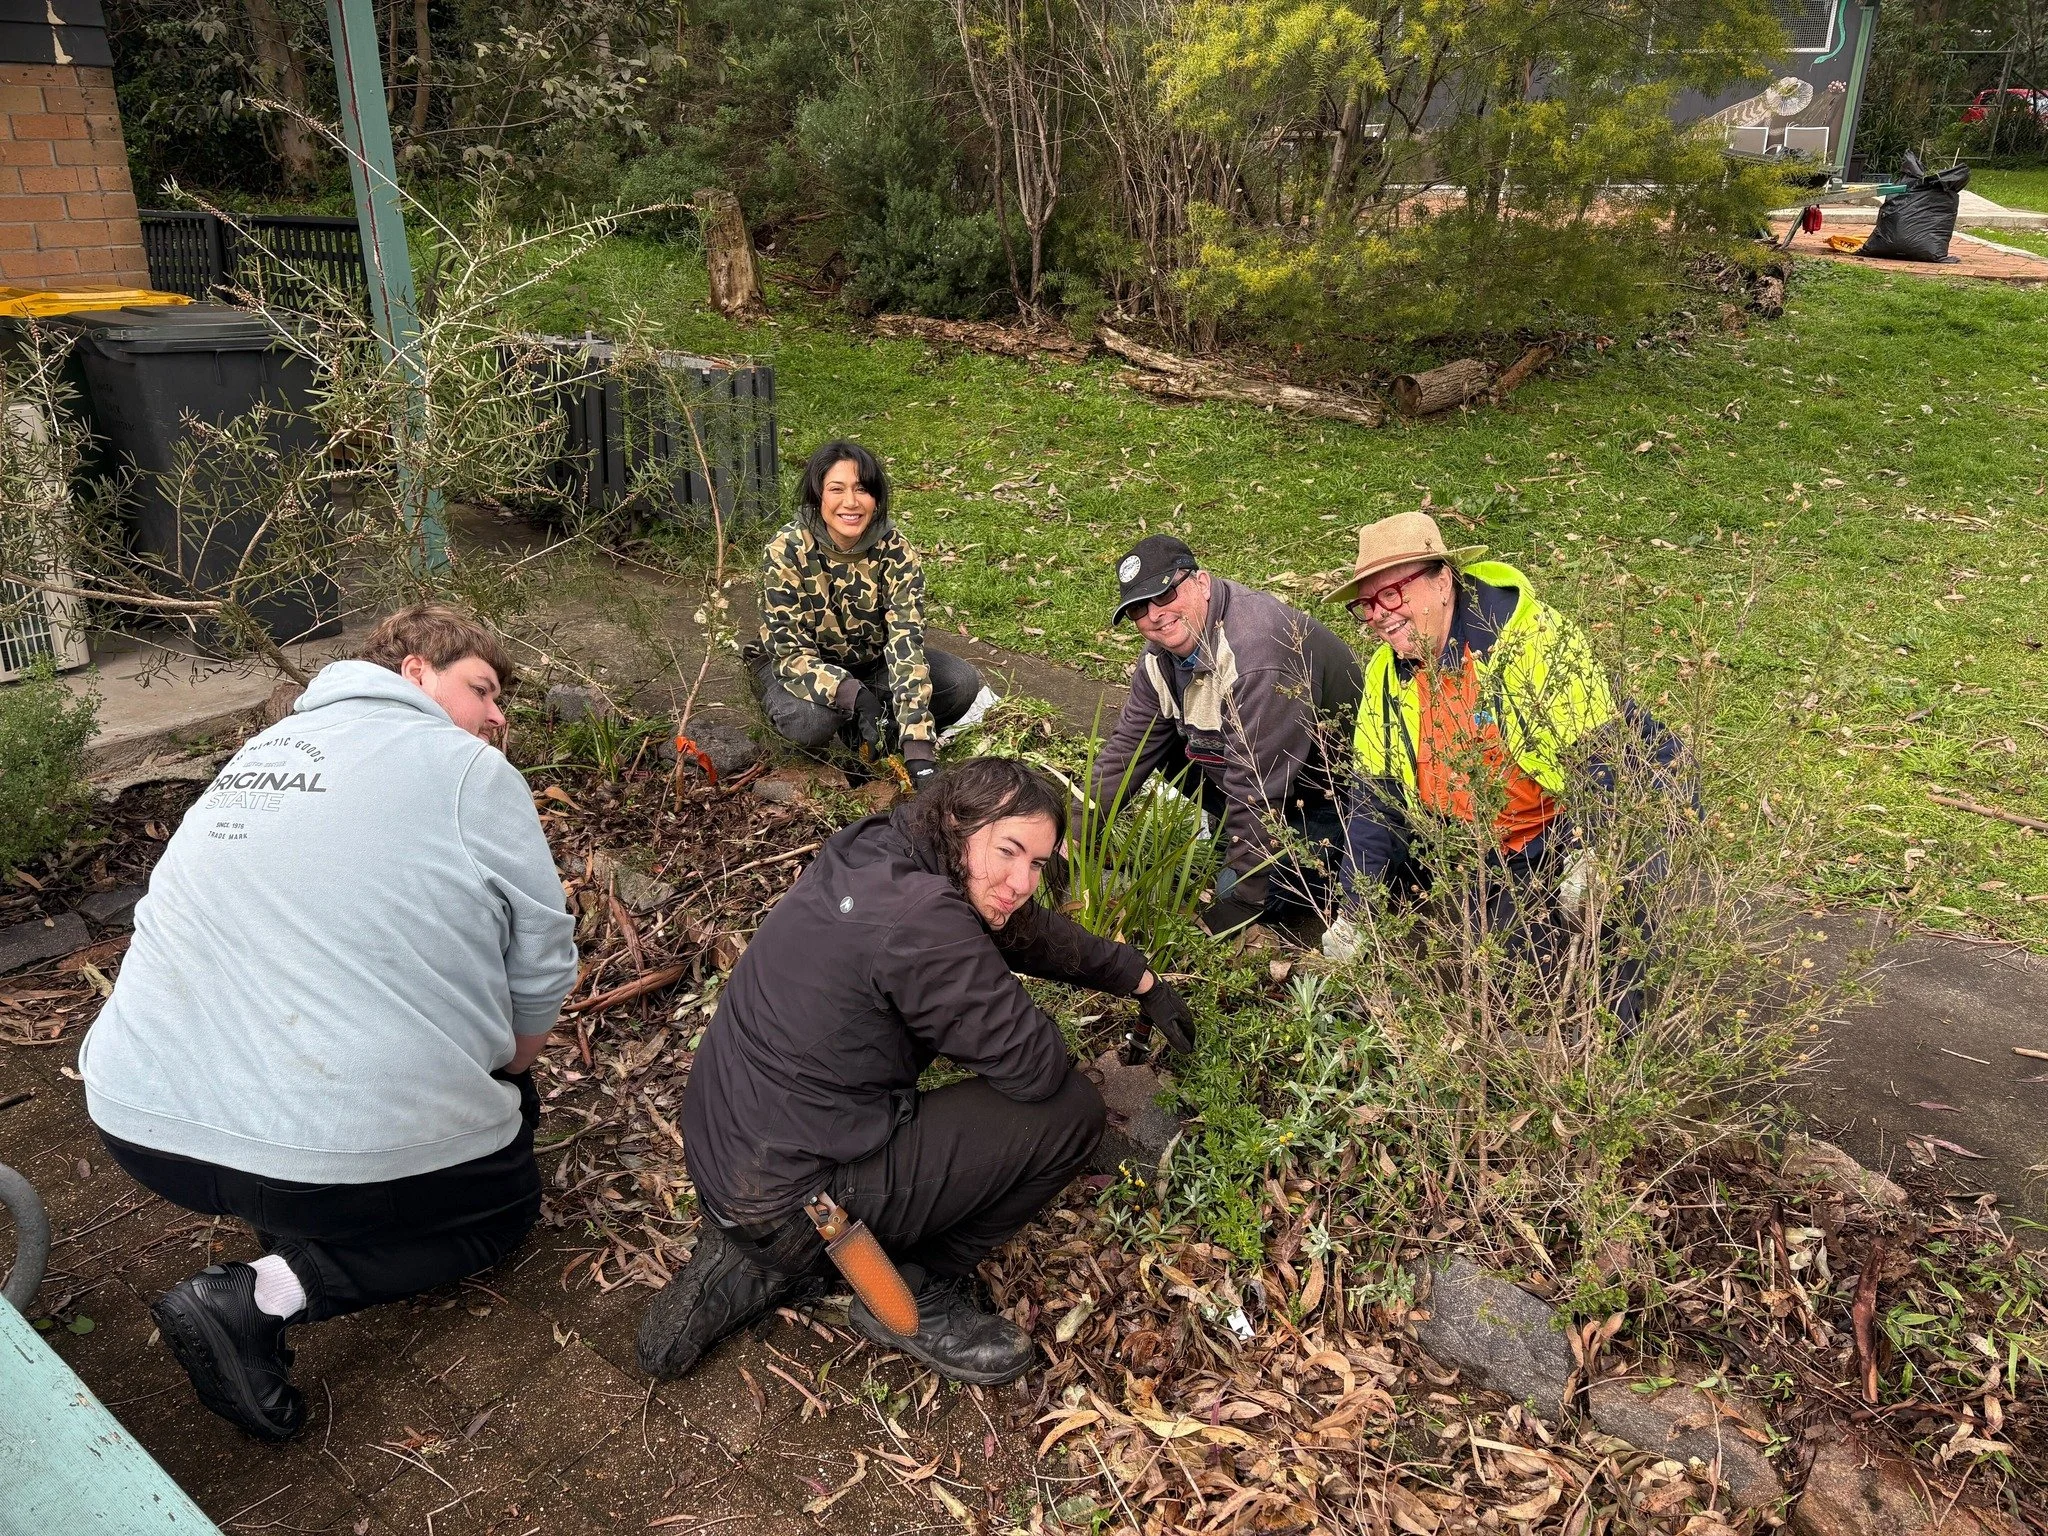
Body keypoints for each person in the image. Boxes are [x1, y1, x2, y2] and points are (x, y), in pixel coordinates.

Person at [79, 605, 577, 1442]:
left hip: (138, 1120)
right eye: (483, 689)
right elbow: (541, 958)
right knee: (504, 1202)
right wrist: (515, 1072)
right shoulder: (466, 771)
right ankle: (261, 1294)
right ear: (415, 671)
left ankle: (299, 1209)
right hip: (311, 1150)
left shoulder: (255, 755)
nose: (498, 717)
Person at [636, 757, 1196, 1386]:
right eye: (1010, 851)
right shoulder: (926, 922)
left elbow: (1014, 925)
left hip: (728, 1155)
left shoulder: (878, 845)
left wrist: (1132, 974)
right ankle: (910, 1291)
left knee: (990, 928)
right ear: (960, 825)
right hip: (798, 1201)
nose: (1022, 881)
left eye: (1038, 863)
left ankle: (753, 1257)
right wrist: (990, 993)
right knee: (1072, 1112)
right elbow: (1035, 1070)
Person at [1324, 512, 1682, 1021]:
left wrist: (1596, 853)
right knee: (1513, 982)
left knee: (1616, 923)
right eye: (1367, 604)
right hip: (1500, 844)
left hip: (1603, 807)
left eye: (1392, 594)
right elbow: (1375, 800)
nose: (1379, 615)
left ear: (1443, 579)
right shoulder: (1387, 674)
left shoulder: (1532, 641)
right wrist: (1356, 912)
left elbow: (1604, 764)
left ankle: (1625, 1055)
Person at [1090, 535, 1363, 934]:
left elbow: (1257, 788)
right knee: (1158, 743)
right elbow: (1126, 748)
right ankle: (1241, 835)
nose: (1155, 615)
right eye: (1138, 609)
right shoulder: (1160, 657)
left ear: (1201, 582)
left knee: (1240, 891)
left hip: (1329, 795)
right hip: (1265, 775)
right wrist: (1072, 832)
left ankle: (1342, 857)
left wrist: (1244, 898)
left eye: (1164, 596)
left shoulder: (1256, 654)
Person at [754, 440, 983, 788]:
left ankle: (873, 727)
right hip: (796, 666)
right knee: (809, 722)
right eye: (836, 489)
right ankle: (848, 719)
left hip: (871, 663)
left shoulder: (895, 548)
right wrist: (855, 696)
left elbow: (906, 645)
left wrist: (919, 749)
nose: (851, 502)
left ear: (875, 497)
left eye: (862, 489)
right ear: (818, 496)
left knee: (960, 682)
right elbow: (790, 654)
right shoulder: (786, 550)